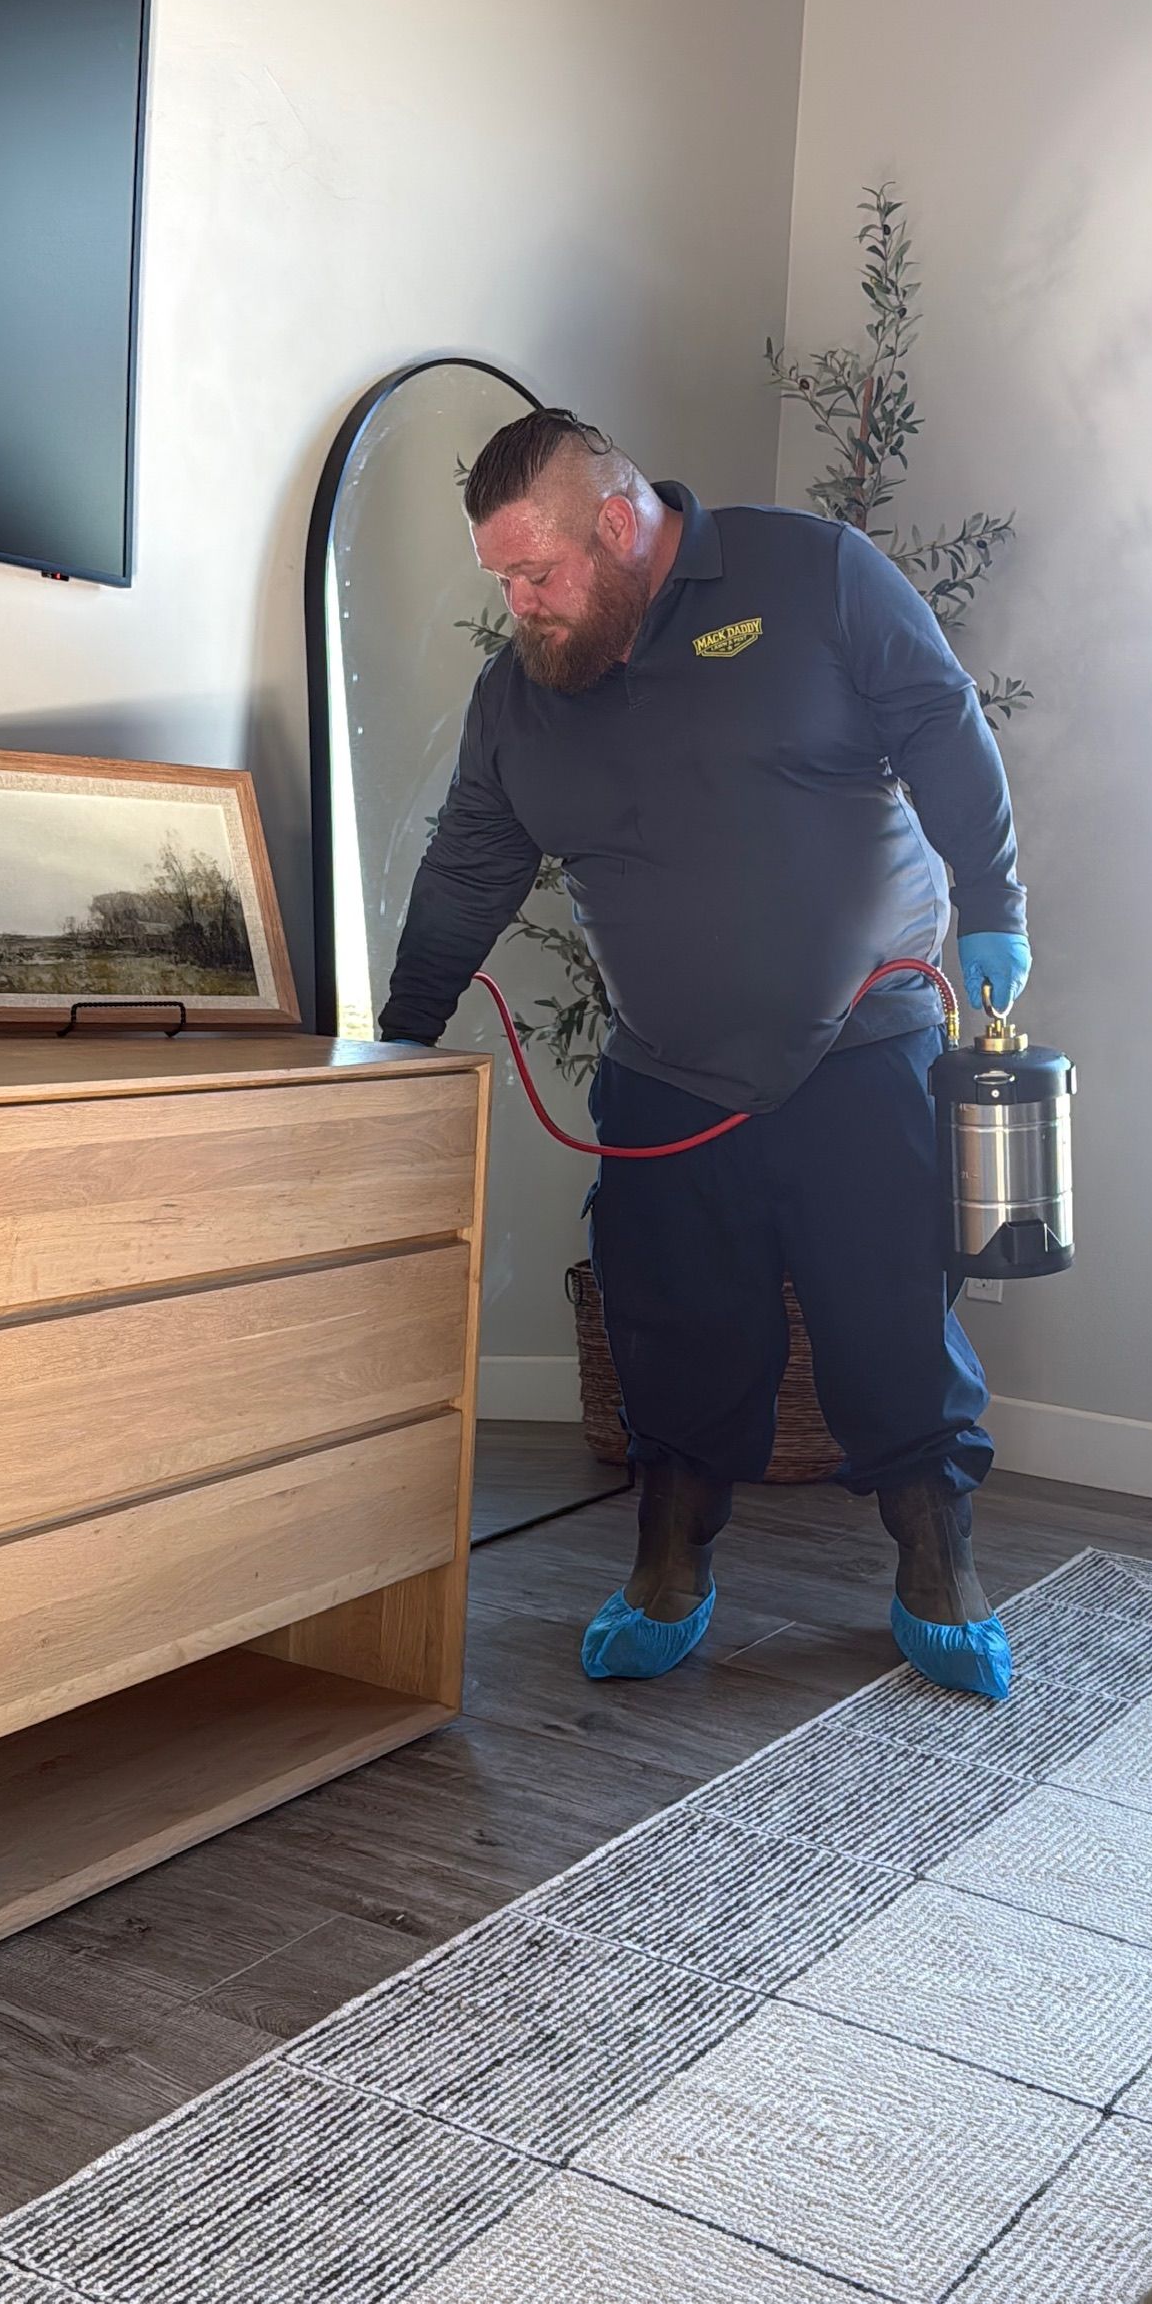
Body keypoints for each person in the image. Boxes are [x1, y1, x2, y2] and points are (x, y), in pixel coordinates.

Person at [380, 408, 1031, 1699]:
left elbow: (945, 726)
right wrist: (400, 1027)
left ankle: (937, 1569)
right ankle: (668, 1570)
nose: (519, 605)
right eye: (501, 579)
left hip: (864, 1052)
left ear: (619, 526)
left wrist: (998, 905)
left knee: (892, 1326)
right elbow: (468, 867)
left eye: (538, 573)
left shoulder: (816, 578)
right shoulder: (524, 697)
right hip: (669, 1078)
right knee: (670, 1340)